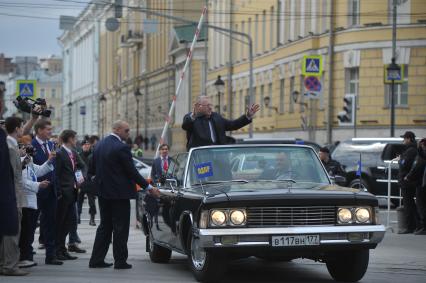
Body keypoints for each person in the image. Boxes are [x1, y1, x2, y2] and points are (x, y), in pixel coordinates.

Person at [89, 120, 160, 269]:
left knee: (105, 226)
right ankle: (120, 261)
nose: (129, 133)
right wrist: (148, 187)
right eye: (127, 131)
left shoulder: (99, 145)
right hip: (119, 194)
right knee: (121, 228)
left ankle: (96, 259)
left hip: (103, 193)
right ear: (117, 130)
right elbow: (132, 172)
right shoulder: (121, 147)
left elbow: (92, 170)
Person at [19, 135, 55, 268]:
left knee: (29, 230)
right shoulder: (20, 161)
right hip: (24, 201)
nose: (28, 150)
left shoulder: (28, 161)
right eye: (25, 147)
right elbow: (22, 181)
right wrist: (38, 185)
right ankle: (24, 257)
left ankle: (27, 256)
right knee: (26, 231)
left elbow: (38, 170)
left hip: (31, 200)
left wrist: (49, 161)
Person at [31, 120, 63, 265]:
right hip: (36, 190)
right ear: (39, 130)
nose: (50, 132)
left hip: (51, 191)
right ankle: (27, 253)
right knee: (31, 223)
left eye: (51, 129)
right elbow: (32, 170)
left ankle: (51, 255)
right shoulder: (31, 145)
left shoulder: (51, 145)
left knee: (51, 223)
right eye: (47, 129)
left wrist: (58, 188)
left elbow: (54, 168)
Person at [0, 117, 29, 276]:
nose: (23, 130)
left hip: (11, 194)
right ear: (17, 128)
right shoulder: (10, 146)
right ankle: (10, 266)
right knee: (12, 233)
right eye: (22, 127)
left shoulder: (10, 144)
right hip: (13, 195)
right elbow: (11, 174)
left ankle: (4, 263)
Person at [182, 96, 260, 150]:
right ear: (199, 106)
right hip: (201, 158)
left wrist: (248, 116)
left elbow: (233, 125)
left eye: (211, 105)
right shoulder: (192, 118)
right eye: (207, 105)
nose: (210, 107)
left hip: (219, 156)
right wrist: (194, 115)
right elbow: (185, 125)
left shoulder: (216, 117)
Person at [55, 130, 85, 261]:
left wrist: (80, 177)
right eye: (75, 138)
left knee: (69, 221)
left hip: (72, 192)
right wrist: (59, 192)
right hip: (63, 193)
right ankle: (58, 250)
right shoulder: (60, 153)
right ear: (69, 139)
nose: (76, 140)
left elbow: (83, 165)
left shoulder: (73, 152)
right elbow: (56, 174)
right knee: (60, 223)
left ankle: (63, 249)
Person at [397, 131, 420, 234]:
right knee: (411, 204)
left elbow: (404, 164)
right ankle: (416, 225)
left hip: (407, 181)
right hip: (409, 180)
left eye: (405, 138)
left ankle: (409, 227)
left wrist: (400, 159)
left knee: (408, 204)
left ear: (409, 139)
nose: (403, 140)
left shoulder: (411, 151)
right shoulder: (413, 149)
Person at [405, 138, 426, 235]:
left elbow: (417, 166)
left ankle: (424, 227)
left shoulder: (422, 155)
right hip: (421, 182)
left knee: (421, 205)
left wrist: (408, 177)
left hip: (422, 184)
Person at [77, 140, 97, 227]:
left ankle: (92, 218)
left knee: (92, 202)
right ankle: (78, 217)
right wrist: (79, 181)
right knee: (79, 200)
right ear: (82, 146)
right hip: (80, 181)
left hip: (90, 182)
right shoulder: (78, 155)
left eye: (88, 144)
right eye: (84, 144)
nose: (86, 146)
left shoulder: (93, 155)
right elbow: (76, 169)